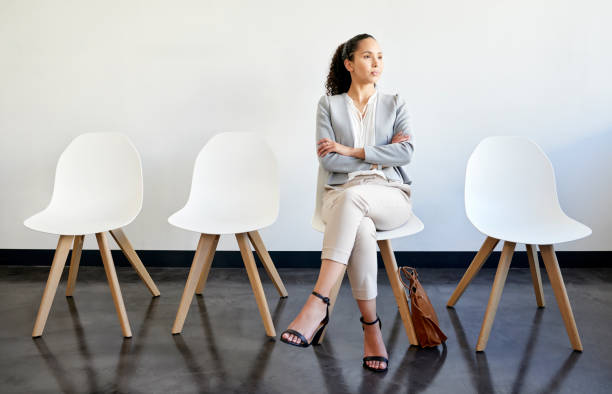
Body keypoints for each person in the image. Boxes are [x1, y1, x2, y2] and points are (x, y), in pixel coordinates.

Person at [280, 33, 414, 373]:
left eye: (380, 57)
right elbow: (330, 163)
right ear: (349, 63)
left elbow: (406, 153)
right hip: (340, 196)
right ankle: (372, 330)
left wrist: (351, 150)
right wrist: (380, 156)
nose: (377, 63)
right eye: (368, 57)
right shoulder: (329, 105)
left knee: (357, 199)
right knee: (363, 229)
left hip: (390, 196)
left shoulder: (395, 102)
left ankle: (318, 302)